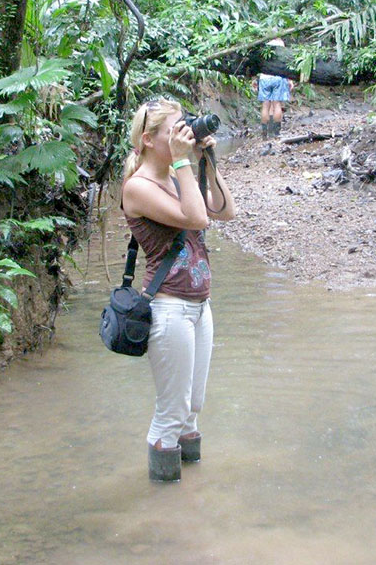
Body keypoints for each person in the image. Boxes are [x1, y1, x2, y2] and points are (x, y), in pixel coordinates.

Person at [121, 99, 236, 482]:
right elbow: (196, 217)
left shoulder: (176, 178)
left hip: (200, 306)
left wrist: (204, 161)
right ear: (149, 139)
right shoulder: (138, 188)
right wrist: (185, 163)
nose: (184, 134)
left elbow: (223, 211)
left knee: (193, 409)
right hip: (169, 307)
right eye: (176, 129)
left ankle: (191, 498)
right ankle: (165, 508)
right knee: (171, 414)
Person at [254, 72, 294, 138]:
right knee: (277, 104)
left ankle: (265, 133)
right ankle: (276, 133)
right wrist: (289, 80)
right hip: (278, 78)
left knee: (265, 106)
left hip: (264, 79)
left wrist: (255, 79)